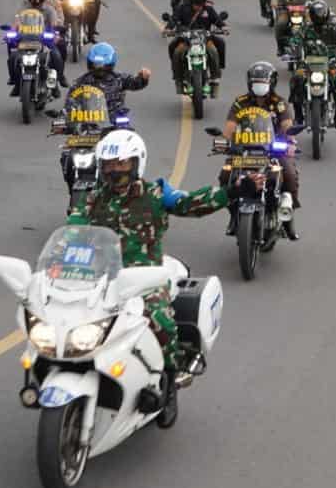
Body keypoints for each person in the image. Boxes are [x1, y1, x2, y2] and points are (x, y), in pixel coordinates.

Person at [68, 129, 227, 390]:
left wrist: (229, 192)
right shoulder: (93, 199)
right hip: (100, 279)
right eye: (108, 165)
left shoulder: (156, 193)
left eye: (121, 163)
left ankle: (170, 378)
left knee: (159, 320)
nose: (114, 170)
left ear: (136, 163)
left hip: (145, 279)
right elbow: (73, 228)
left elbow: (191, 204)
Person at [222, 61, 300, 240]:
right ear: (249, 83)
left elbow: (287, 124)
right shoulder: (240, 103)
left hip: (272, 151)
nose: (259, 87)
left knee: (289, 173)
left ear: (271, 83)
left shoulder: (279, 103)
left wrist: (289, 141)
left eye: (263, 83)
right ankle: (234, 215)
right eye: (256, 83)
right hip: (244, 151)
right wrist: (225, 141)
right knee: (226, 175)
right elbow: (230, 126)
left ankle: (288, 218)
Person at [288, 0, 336, 128]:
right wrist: (292, 51)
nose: (319, 17)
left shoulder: (334, 28)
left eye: (321, 14)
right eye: (317, 14)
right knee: (296, 79)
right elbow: (294, 40)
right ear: (312, 15)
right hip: (307, 65)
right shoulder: (305, 28)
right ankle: (299, 116)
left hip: (329, 64)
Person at [8, 0, 68, 96]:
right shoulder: (24, 6)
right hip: (25, 39)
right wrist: (11, 32)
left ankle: (57, 81)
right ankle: (15, 81)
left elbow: (54, 23)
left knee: (56, 56)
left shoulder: (49, 9)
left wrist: (55, 33)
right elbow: (17, 20)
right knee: (12, 57)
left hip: (44, 40)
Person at [167, 0, 226, 96]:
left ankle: (215, 78)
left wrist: (224, 27)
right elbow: (174, 20)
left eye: (200, 1)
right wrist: (168, 29)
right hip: (186, 39)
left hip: (205, 38)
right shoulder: (182, 8)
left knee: (214, 51)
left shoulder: (208, 9)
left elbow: (217, 20)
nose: (197, 4)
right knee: (176, 52)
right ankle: (178, 79)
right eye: (195, 0)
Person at [67, 42, 149, 118]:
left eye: (103, 66)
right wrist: (67, 117)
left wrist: (142, 78)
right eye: (95, 65)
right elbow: (70, 103)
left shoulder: (119, 78)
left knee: (129, 132)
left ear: (110, 64)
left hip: (115, 121)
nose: (99, 69)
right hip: (89, 123)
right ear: (90, 63)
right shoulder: (80, 82)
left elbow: (135, 83)